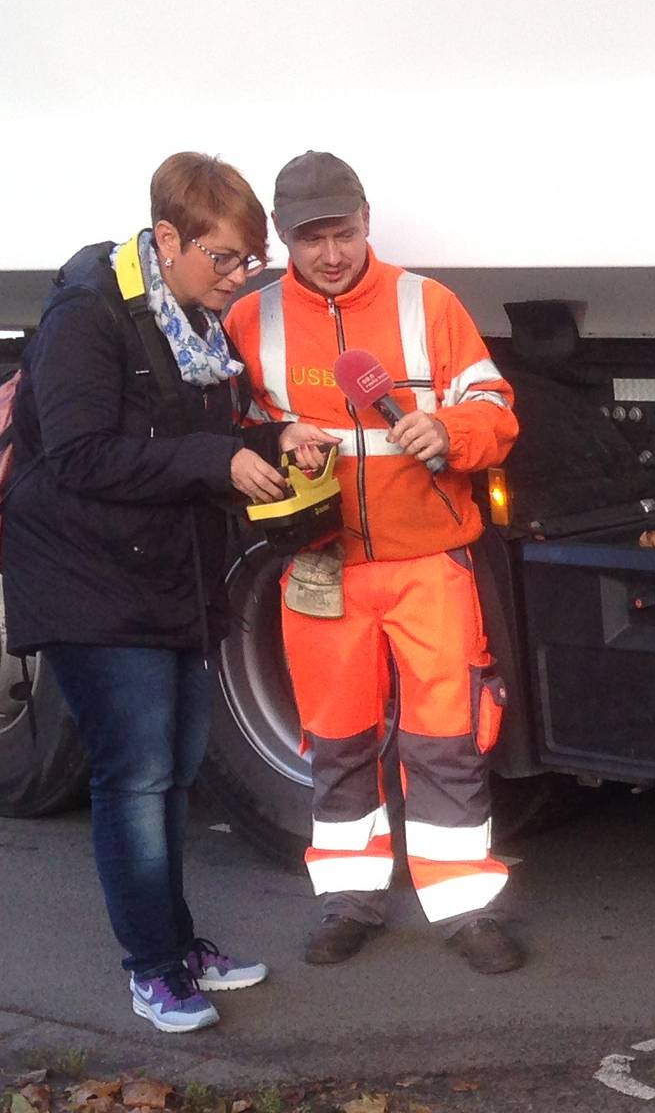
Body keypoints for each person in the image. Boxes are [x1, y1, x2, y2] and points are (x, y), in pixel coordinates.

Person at [0, 153, 336, 1032]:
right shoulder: (88, 319)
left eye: (247, 259)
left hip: (165, 577)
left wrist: (269, 434)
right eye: (223, 259)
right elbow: (79, 457)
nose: (238, 278)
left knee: (175, 772)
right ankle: (152, 967)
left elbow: (201, 431)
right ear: (167, 239)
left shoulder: (191, 319)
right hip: (89, 583)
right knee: (137, 777)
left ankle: (178, 944)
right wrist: (214, 459)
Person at [225, 151, 524, 973]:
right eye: (312, 238)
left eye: (345, 233)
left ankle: (465, 911)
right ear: (285, 239)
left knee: (447, 741)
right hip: (321, 568)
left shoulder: (428, 303)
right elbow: (227, 428)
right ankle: (350, 902)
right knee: (338, 741)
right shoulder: (250, 320)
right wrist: (274, 438)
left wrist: (453, 434)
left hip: (431, 562)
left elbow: (495, 407)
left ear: (366, 223)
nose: (331, 253)